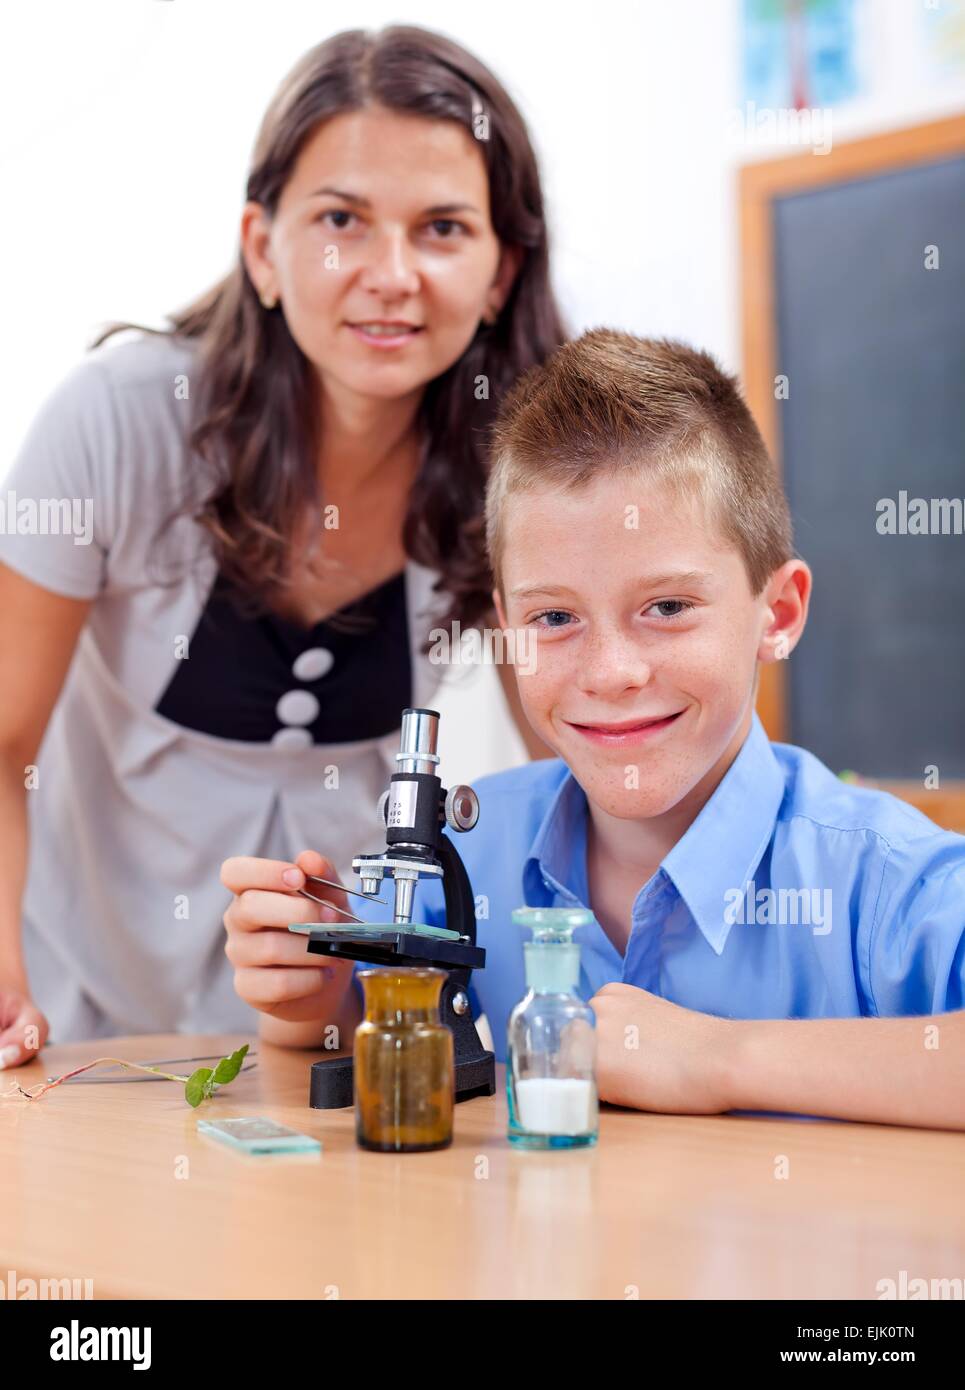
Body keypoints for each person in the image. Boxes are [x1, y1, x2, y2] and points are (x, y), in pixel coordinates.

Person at [222, 330, 965, 1130]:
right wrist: (308, 996)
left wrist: (717, 1059)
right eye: (555, 617)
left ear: (775, 614)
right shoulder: (461, 859)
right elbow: (337, 1037)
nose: (611, 672)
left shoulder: (881, 881)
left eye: (668, 607)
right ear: (505, 628)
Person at [0, 25, 564, 1069]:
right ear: (262, 246)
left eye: (442, 227)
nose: (391, 275)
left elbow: (574, 772)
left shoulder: (517, 470)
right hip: (78, 1030)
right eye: (341, 220)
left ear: (499, 271)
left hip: (339, 1039)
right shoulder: (114, 424)